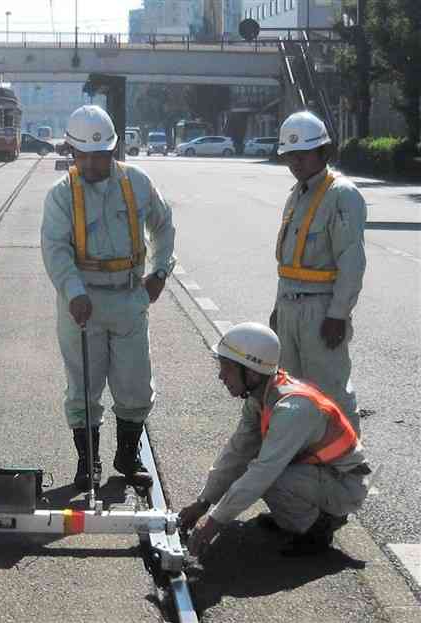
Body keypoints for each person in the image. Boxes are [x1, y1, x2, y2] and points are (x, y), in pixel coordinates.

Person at [41, 105, 176, 491]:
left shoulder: (137, 183)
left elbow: (164, 226)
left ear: (114, 150)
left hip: (130, 297)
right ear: (72, 152)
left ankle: (127, 454)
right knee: (83, 386)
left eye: (103, 155)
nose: (95, 164)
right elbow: (55, 250)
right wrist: (73, 291)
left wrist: (161, 272)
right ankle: (88, 461)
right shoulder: (61, 195)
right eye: (86, 156)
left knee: (135, 382)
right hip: (81, 304)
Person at [179, 322, 371, 558]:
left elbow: (263, 472)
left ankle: (317, 529)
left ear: (250, 371)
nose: (221, 376)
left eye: (226, 368)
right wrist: (204, 501)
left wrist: (213, 524)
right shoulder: (260, 397)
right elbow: (237, 452)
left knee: (267, 477)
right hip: (317, 474)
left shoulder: (293, 408)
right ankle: (295, 517)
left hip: (344, 484)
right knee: (251, 468)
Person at [270, 110, 366, 434]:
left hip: (320, 310)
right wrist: (277, 307)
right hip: (289, 307)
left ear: (322, 152)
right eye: (289, 156)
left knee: (331, 392)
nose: (295, 162)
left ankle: (350, 467)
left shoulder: (342, 195)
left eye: (303, 154)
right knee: (292, 393)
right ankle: (307, 463)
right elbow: (288, 264)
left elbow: (351, 261)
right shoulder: (296, 195)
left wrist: (338, 314)